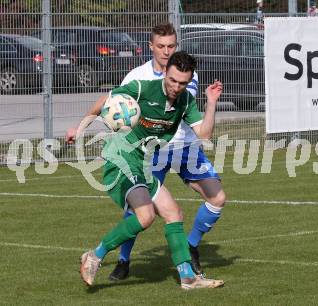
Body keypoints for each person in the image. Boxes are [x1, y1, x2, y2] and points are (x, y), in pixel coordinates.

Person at [66, 51, 224, 290]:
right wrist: (80, 128)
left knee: (173, 213)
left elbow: (204, 134)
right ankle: (95, 256)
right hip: (120, 159)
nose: (176, 87)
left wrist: (211, 103)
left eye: (182, 83)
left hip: (142, 164)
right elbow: (105, 100)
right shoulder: (142, 88)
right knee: (146, 216)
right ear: (165, 73)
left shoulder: (185, 102)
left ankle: (188, 277)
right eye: (172, 80)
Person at [104, 23, 227, 281]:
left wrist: (211, 104)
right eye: (161, 46)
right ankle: (123, 260)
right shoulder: (138, 77)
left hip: (185, 147)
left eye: (171, 45)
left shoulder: (186, 73)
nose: (166, 50)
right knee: (140, 207)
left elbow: (197, 122)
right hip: (153, 150)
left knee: (217, 197)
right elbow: (117, 109)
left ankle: (191, 246)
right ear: (151, 46)